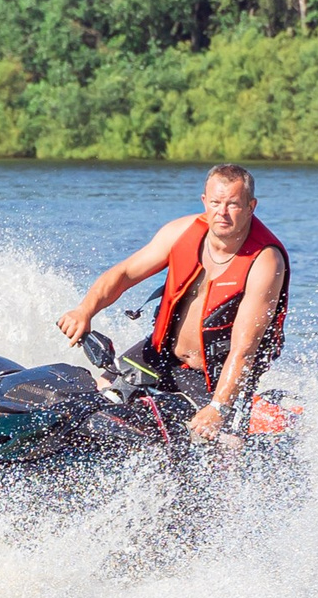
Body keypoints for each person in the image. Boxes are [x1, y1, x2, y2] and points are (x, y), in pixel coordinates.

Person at [56, 164, 289, 441]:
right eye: (215, 203)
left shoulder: (265, 262)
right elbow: (124, 274)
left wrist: (218, 407)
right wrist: (85, 310)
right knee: (100, 391)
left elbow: (244, 351)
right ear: (205, 201)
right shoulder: (180, 232)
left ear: (251, 206)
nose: (222, 213)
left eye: (233, 205)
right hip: (161, 355)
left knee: (222, 445)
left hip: (214, 378)